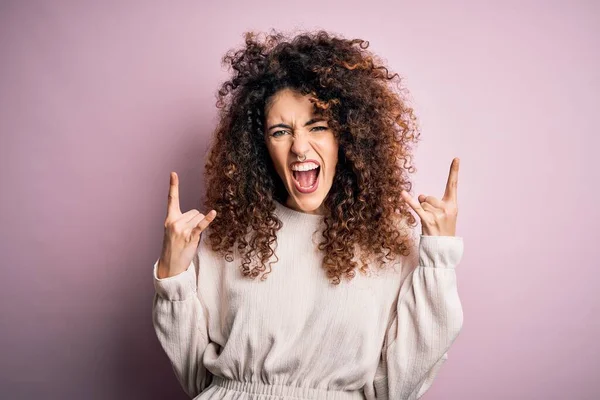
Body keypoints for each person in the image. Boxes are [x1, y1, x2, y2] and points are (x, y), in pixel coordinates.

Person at [152, 29, 464, 400]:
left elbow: (398, 386)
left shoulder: (388, 239)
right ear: (259, 144)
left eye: (317, 126)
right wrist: (173, 278)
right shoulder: (229, 233)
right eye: (281, 131)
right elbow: (198, 381)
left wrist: (438, 259)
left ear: (346, 136)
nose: (300, 147)